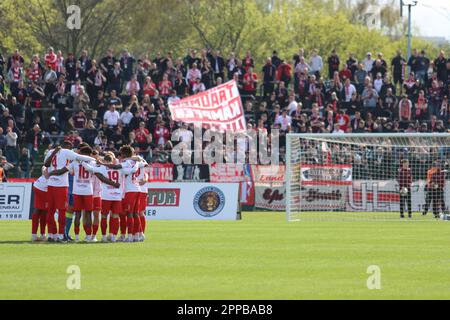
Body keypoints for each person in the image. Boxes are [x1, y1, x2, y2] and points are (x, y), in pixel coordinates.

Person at [43, 141, 95, 242]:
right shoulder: (67, 152)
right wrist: (95, 159)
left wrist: (50, 173)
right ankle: (61, 235)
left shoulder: (50, 152)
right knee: (63, 211)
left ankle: (51, 234)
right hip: (63, 186)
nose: (72, 149)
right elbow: (81, 158)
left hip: (51, 184)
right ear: (67, 147)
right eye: (70, 147)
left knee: (50, 211)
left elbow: (46, 164)